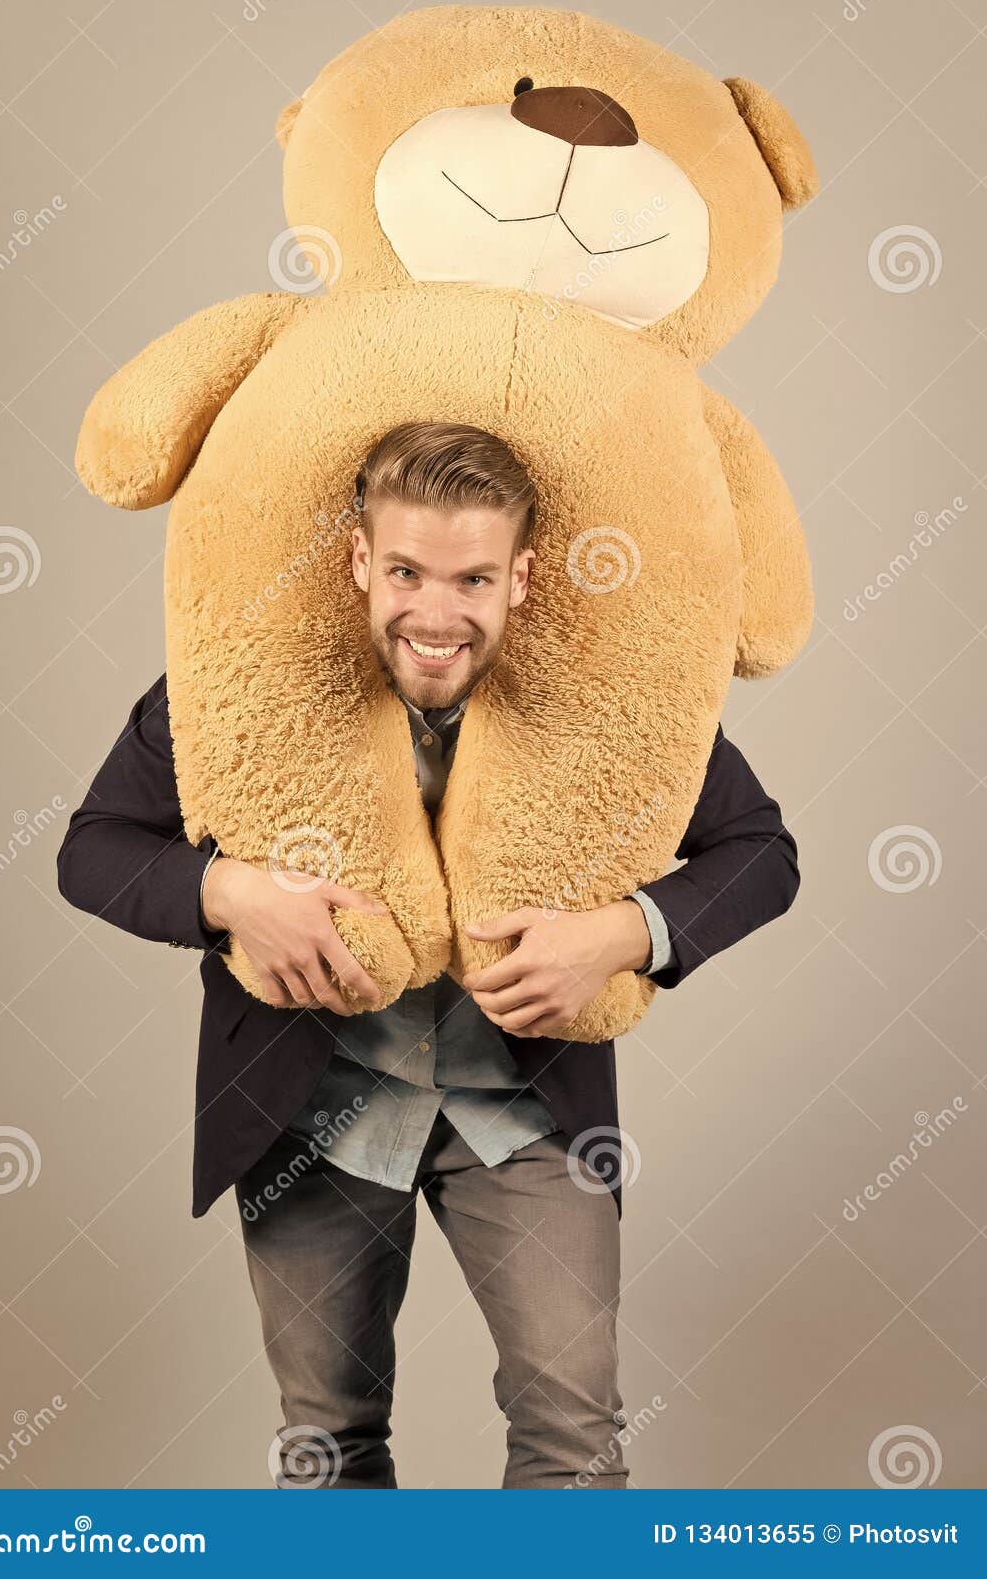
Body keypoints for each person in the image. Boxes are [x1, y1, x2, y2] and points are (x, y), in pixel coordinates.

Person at [58, 420, 800, 1489]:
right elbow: (94, 848)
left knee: (577, 1441)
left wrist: (623, 932)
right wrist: (229, 894)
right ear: (361, 560)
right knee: (329, 1445)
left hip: (528, 1113)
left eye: (474, 578)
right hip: (316, 1112)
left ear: (523, 577)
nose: (436, 614)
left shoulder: (610, 706)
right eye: (405, 570)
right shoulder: (236, 694)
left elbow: (761, 852)